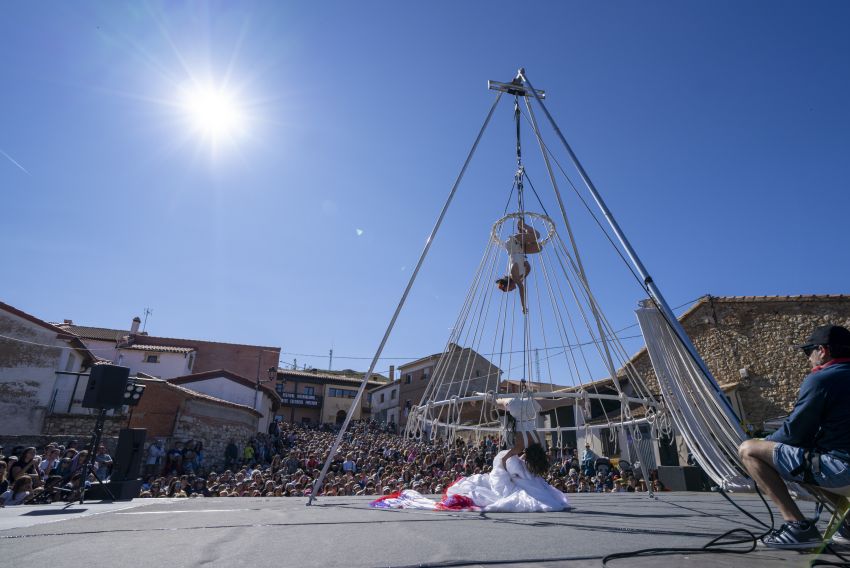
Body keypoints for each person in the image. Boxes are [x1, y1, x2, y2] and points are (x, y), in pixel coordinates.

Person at [738, 324, 850, 549]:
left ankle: (797, 526)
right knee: (809, 460)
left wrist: (763, 443)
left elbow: (793, 434)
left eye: (808, 352)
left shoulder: (822, 379)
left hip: (844, 471)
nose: (808, 359)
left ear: (822, 350)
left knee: (748, 450)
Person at [496, 217, 541, 314]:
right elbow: (528, 267)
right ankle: (522, 232)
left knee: (537, 235)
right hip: (520, 249)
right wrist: (524, 274)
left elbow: (522, 288)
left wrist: (523, 307)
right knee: (539, 248)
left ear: (509, 284)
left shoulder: (514, 274)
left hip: (513, 243)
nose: (512, 290)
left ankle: (521, 225)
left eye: (510, 289)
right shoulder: (519, 277)